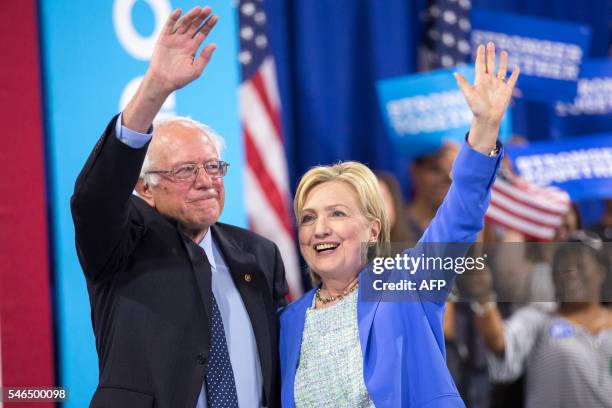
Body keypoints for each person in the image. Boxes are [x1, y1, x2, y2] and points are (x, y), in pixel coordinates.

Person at [279, 42, 519, 407]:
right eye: (308, 218)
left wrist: (485, 127)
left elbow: (458, 220)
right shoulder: (287, 323)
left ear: (373, 230)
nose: (320, 229)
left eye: (338, 214)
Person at [71, 6, 287, 408]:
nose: (206, 181)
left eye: (213, 167)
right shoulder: (120, 245)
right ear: (144, 188)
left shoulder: (259, 255)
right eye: (186, 170)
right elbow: (95, 197)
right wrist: (155, 88)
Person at [469, 232, 612, 407]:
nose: (571, 273)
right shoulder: (539, 319)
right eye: (563, 267)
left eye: (580, 264)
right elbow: (499, 342)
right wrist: (483, 298)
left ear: (601, 272)